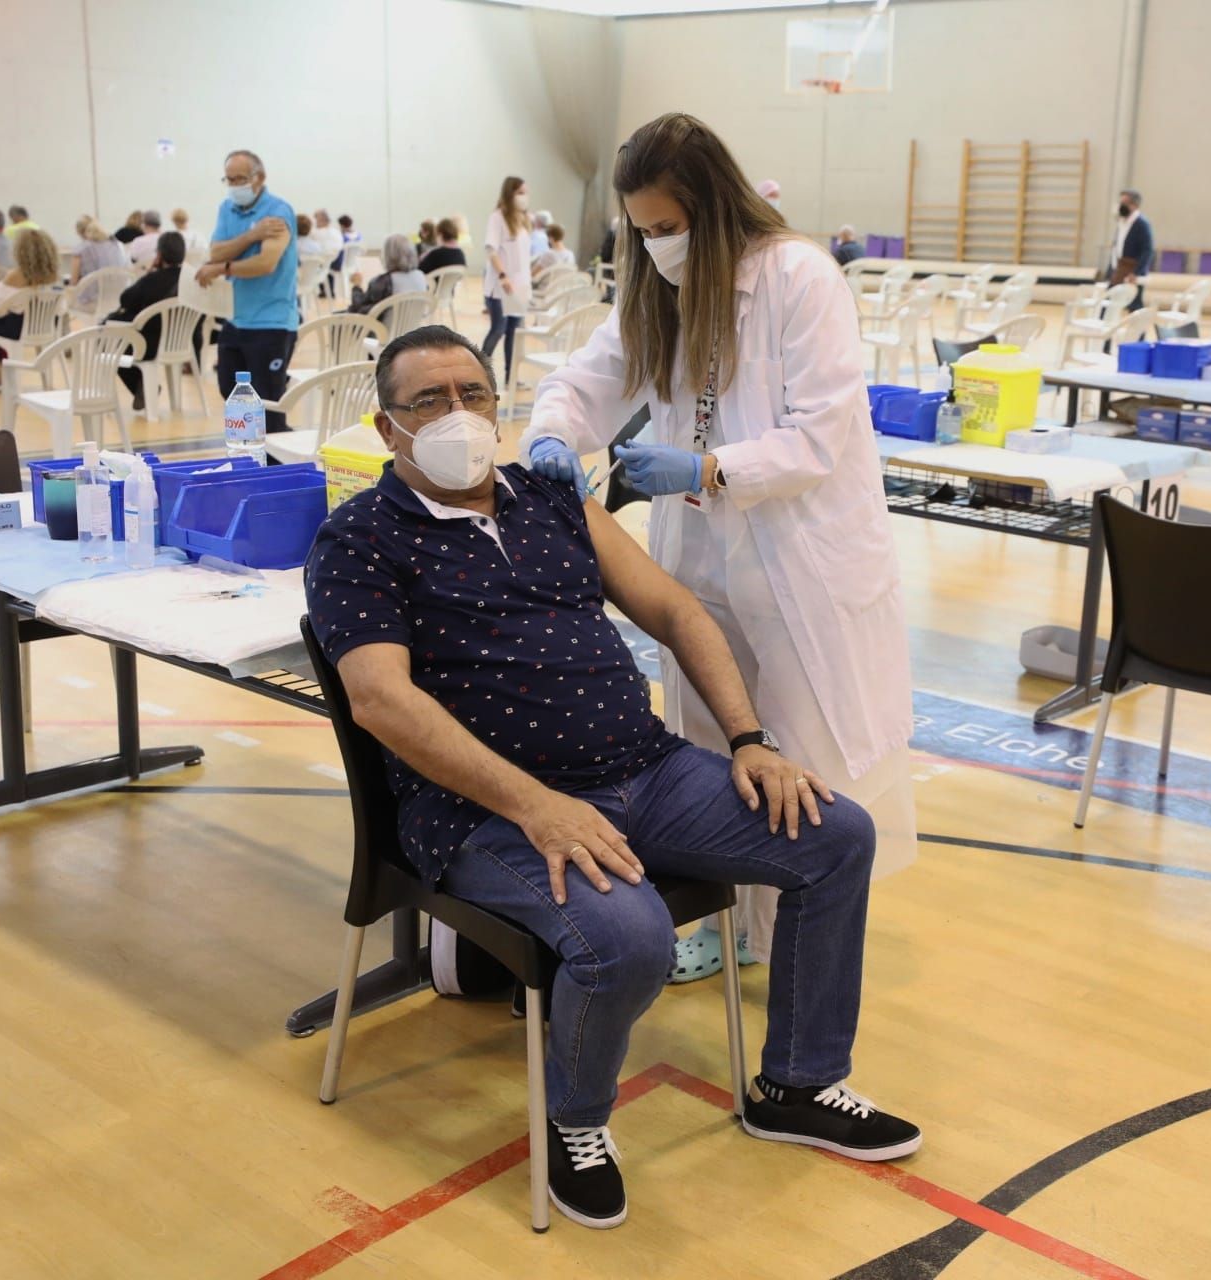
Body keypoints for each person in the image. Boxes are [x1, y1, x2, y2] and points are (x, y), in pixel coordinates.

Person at [306, 323, 922, 1230]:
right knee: (630, 939)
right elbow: (382, 703)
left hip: (645, 769)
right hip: (488, 814)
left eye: (473, 395)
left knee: (836, 837)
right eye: (428, 401)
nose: (458, 415)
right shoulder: (359, 539)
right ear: (386, 427)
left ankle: (799, 1082)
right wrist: (538, 807)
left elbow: (673, 608)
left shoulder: (549, 502)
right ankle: (576, 1122)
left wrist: (749, 738)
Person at [520, 113, 917, 984]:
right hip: (702, 556)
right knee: (708, 745)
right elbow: (583, 380)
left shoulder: (799, 278)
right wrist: (553, 436)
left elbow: (819, 437)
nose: (657, 245)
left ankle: (794, 944)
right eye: (644, 231)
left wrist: (707, 466)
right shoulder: (657, 289)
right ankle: (727, 921)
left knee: (800, 760)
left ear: (712, 206)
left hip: (802, 558)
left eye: (668, 227)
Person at [195, 148, 300, 430]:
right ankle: (249, 463)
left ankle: (277, 469)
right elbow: (215, 251)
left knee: (267, 407)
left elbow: (266, 263)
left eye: (240, 178)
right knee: (231, 393)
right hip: (235, 319)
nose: (234, 185)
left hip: (272, 322)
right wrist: (252, 234)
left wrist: (223, 268)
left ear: (259, 178)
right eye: (229, 179)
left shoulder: (278, 211)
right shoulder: (226, 209)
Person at [106, 231, 199, 410]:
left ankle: (142, 386)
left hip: (148, 345)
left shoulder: (152, 280)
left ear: (159, 254)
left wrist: (149, 273)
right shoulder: (191, 279)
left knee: (110, 345)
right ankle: (146, 388)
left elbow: (125, 299)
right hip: (182, 342)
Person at [0, 227, 61, 387]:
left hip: (17, 330)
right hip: (47, 327)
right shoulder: (54, 275)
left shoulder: (16, 276)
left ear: (20, 252)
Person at [481, 176, 532, 383]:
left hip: (520, 286)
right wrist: (503, 275)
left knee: (514, 331)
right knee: (498, 328)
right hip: (501, 286)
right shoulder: (498, 217)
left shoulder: (523, 220)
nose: (524, 197)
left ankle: (511, 377)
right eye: (520, 192)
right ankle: (480, 372)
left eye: (525, 193)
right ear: (509, 194)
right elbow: (491, 250)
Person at [346, 233, 426, 314]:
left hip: (379, 326)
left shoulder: (383, 282)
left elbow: (358, 307)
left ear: (387, 255)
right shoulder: (420, 276)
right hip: (411, 324)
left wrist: (356, 286)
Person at [1109, 188, 1154, 311]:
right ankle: (1105, 328)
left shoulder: (1142, 224)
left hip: (1132, 270)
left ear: (1134, 205)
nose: (1120, 206)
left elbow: (1148, 250)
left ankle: (1139, 331)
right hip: (1119, 267)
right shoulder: (1122, 221)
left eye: (1124, 203)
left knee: (1134, 305)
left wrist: (1137, 272)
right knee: (1108, 302)